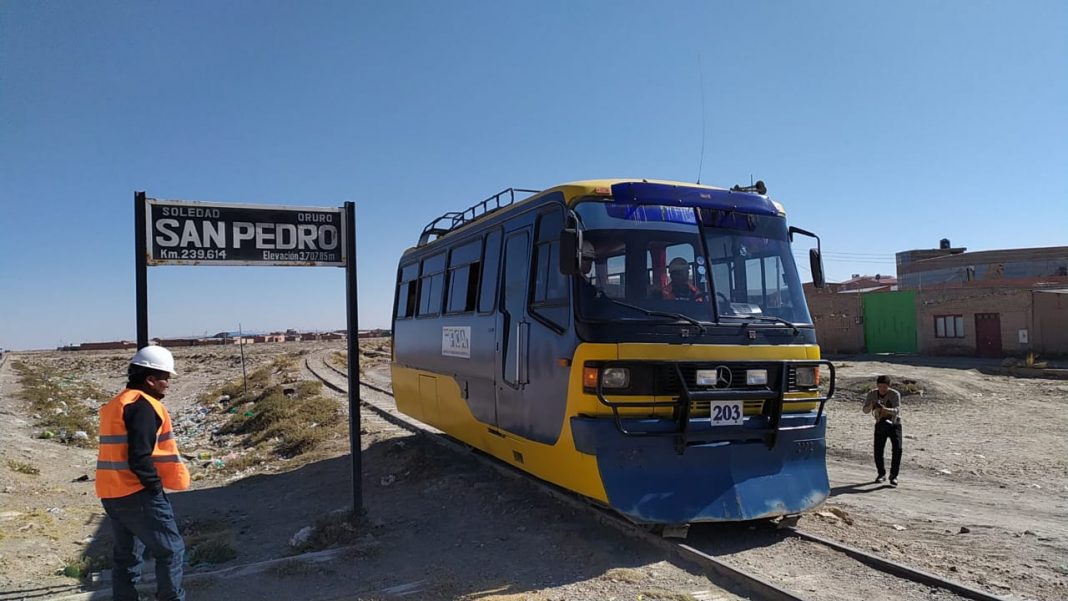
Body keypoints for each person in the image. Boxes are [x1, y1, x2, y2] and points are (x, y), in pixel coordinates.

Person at [96, 346, 190, 601]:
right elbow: (139, 456)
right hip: (137, 493)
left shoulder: (118, 403)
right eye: (165, 378)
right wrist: (154, 487)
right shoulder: (143, 406)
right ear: (150, 379)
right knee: (170, 551)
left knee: (126, 557)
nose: (167, 384)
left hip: (111, 491)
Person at [862, 375, 902, 486]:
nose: (882, 389)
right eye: (880, 386)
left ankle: (894, 476)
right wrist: (872, 405)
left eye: (884, 387)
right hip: (880, 423)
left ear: (889, 386)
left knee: (897, 449)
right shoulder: (872, 394)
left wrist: (885, 409)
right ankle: (881, 474)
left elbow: (897, 410)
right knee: (878, 450)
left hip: (894, 424)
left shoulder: (894, 394)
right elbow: (865, 410)